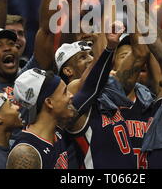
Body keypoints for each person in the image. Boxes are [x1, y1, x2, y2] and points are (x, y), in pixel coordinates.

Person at [6, 24, 121, 169]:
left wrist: (109, 47)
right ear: (49, 103)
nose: (71, 96)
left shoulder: (58, 128)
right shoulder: (26, 152)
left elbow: (89, 88)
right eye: (64, 92)